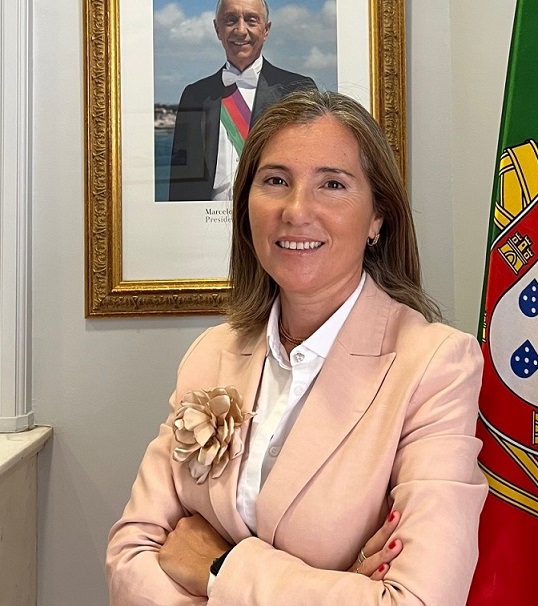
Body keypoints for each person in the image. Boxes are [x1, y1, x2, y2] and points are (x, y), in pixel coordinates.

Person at [107, 89, 488, 605]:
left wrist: (218, 570)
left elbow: (418, 600)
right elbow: (130, 555)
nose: (296, 210)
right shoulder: (210, 354)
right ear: (246, 206)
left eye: (332, 183)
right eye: (275, 181)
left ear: (377, 217)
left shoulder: (436, 367)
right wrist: (342, 585)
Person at [167, 0, 315, 201]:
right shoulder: (194, 95)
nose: (240, 30)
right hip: (204, 218)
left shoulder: (298, 90)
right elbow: (181, 182)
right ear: (217, 29)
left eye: (251, 20)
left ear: (266, 29)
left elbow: (311, 169)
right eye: (230, 20)